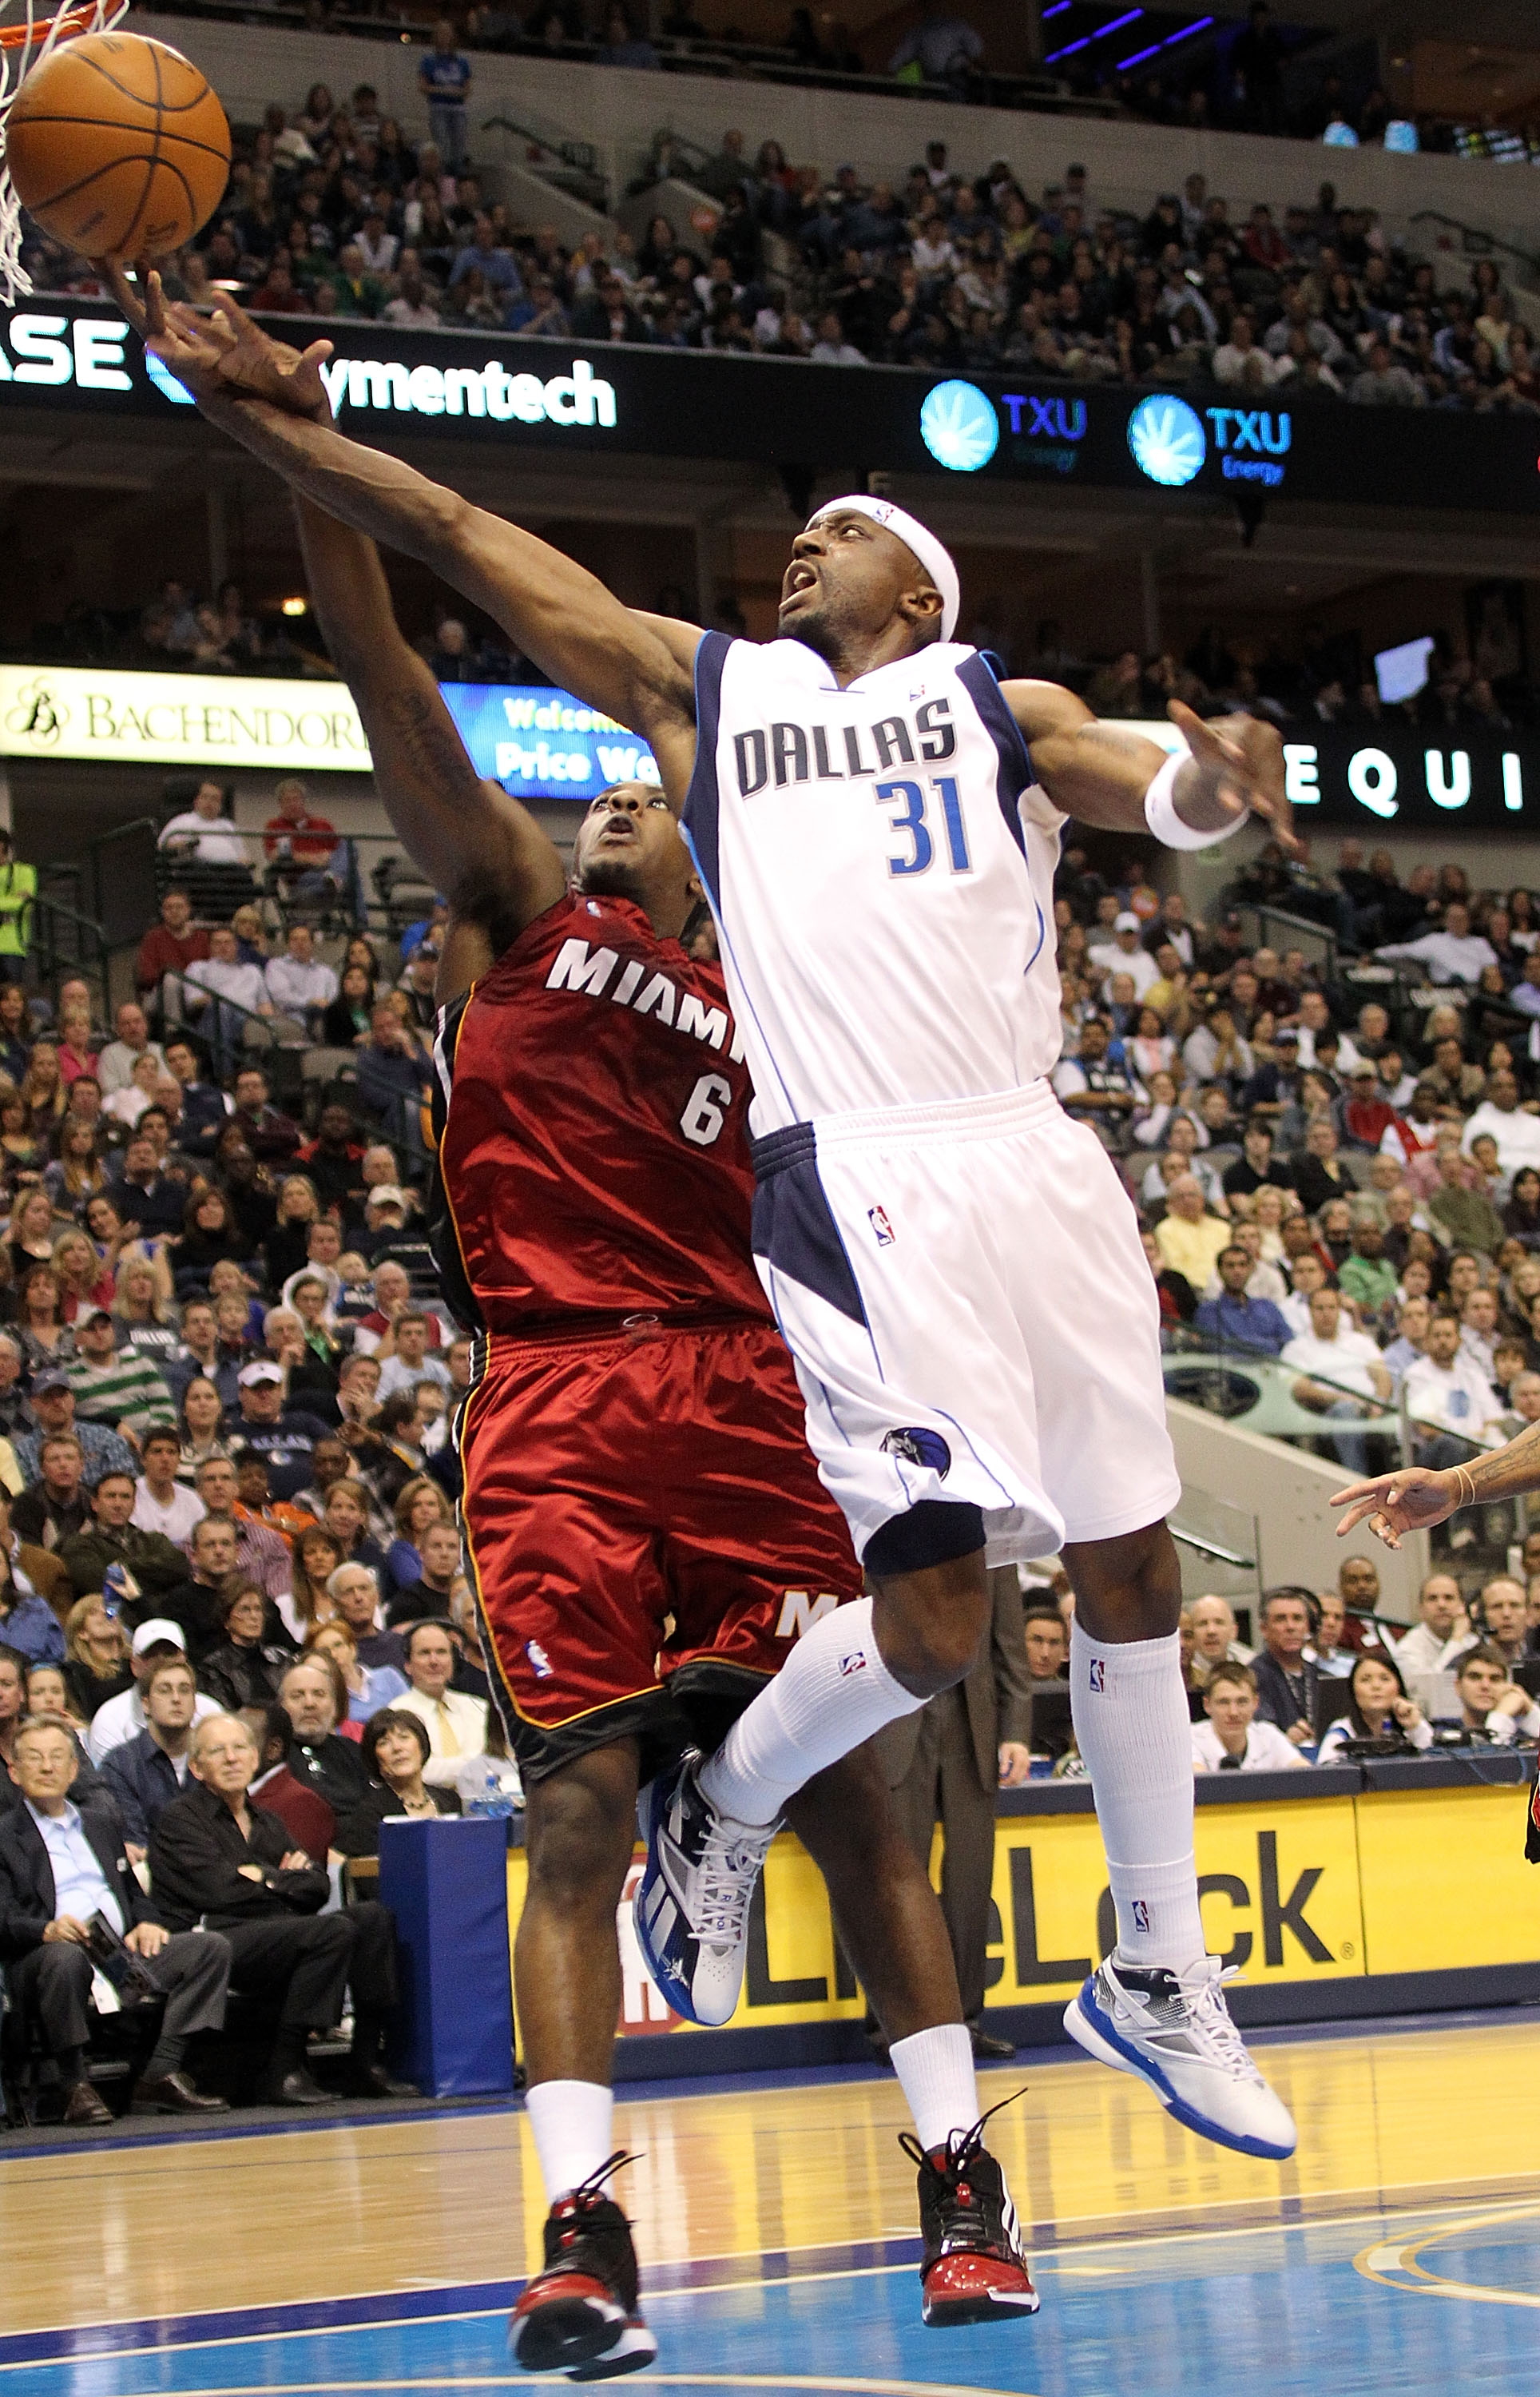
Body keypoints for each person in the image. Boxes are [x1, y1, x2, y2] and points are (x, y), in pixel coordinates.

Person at [121, 288, 1302, 2330]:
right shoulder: (620, 803)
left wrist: (1214, 797)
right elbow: (446, 565)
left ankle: (1104, 2014)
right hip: (643, 1341)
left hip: (868, 1268)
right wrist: (279, 434)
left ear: (919, 590)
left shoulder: (944, 752)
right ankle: (592, 2206)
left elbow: (1129, 782)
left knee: (1074, 1608)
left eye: (844, 533)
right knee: (737, 1727)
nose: (800, 548)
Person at [147, 1711, 403, 2103]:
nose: (231, 1758)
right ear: (197, 1768)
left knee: (373, 1917)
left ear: (255, 1758)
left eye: (239, 1748)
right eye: (218, 1751)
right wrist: (283, 1880)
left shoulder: (268, 1821)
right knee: (329, 1931)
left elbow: (316, 1886)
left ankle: (365, 2060)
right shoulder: (180, 1820)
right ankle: (285, 2068)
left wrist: (264, 1877)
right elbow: (220, 1892)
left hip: (279, 1933)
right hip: (216, 1939)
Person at [0, 1711, 231, 2119]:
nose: (47, 1767)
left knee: (209, 1948)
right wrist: (46, 1929)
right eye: (34, 1758)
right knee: (65, 1959)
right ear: (15, 1772)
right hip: (45, 1955)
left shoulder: (101, 1824)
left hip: (117, 1952)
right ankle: (75, 2086)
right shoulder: (5, 1835)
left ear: (74, 1770)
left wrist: (146, 1922)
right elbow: (3, 1917)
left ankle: (160, 2073)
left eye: (57, 1757)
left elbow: (132, 1893)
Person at [871, 1568, 1032, 2061]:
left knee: (970, 1884)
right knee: (896, 1881)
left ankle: (965, 2021)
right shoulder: (876, 1532)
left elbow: (1010, 1645)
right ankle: (893, 2027)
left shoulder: (994, 1541)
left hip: (973, 1724)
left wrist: (1017, 1731)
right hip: (894, 1720)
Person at [97, 1652, 203, 1847]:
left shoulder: (212, 1757)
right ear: (145, 1704)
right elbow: (134, 1841)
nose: (176, 1699)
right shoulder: (120, 1765)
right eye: (164, 1691)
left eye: (184, 1690)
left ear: (195, 1703)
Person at [85, 1618, 224, 1763]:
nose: (162, 1662)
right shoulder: (110, 1719)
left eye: (170, 1654)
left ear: (185, 1660)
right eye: (151, 1656)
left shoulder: (210, 1711)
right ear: (134, 1666)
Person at [339, 1707, 460, 1855]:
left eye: (404, 1737)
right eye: (384, 1743)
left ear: (422, 1746)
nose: (397, 1748)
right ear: (375, 1759)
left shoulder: (451, 1800)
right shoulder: (369, 1814)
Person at [393, 1618, 488, 1784]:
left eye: (442, 1652)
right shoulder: (397, 1714)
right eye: (424, 1653)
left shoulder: (478, 1707)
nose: (434, 1661)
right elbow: (420, 1771)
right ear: (408, 1665)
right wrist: (476, 1765)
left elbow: (499, 1761)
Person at [1315, 1652, 1432, 1763]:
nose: (1376, 1686)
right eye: (1365, 1680)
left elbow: (1433, 1764)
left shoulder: (1413, 1726)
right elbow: (1326, 1773)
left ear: (1398, 1687)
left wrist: (1415, 1727)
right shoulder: (1342, 1732)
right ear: (1353, 1690)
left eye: (1385, 1679)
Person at [1190, 1660, 1307, 1771]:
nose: (1233, 1712)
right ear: (1207, 1705)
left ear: (1256, 1703)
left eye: (1242, 1702)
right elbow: (1197, 1780)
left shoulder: (1268, 1735)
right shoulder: (1191, 1738)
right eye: (1223, 1702)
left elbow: (1305, 1774)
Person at [199, 1584, 294, 1713]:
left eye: (258, 1609)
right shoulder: (214, 1668)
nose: (254, 1616)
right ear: (227, 1621)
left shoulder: (281, 1658)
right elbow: (224, 1713)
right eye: (245, 1609)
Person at [1248, 1588, 1320, 1746]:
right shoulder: (1252, 1677)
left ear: (1308, 1627)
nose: (1290, 1627)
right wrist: (1285, 1739)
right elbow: (1260, 1732)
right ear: (1264, 1629)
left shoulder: (1321, 1675)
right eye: (1281, 1619)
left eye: (1297, 1618)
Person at [1193, 1244, 1291, 1356]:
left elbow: (1288, 1342)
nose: (1237, 1271)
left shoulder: (1267, 1307)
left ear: (1250, 1270)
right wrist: (1268, 1345)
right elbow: (1223, 1349)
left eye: (1242, 1265)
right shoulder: (1209, 1311)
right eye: (1230, 1266)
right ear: (1219, 1271)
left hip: (1274, 1365)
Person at [1391, 1572, 1475, 1676]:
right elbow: (1433, 1684)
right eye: (1432, 1598)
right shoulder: (1407, 1648)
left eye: (1448, 1598)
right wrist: (1456, 1640)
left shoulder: (1473, 1642)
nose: (1441, 1605)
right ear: (1421, 1609)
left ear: (1462, 1605)